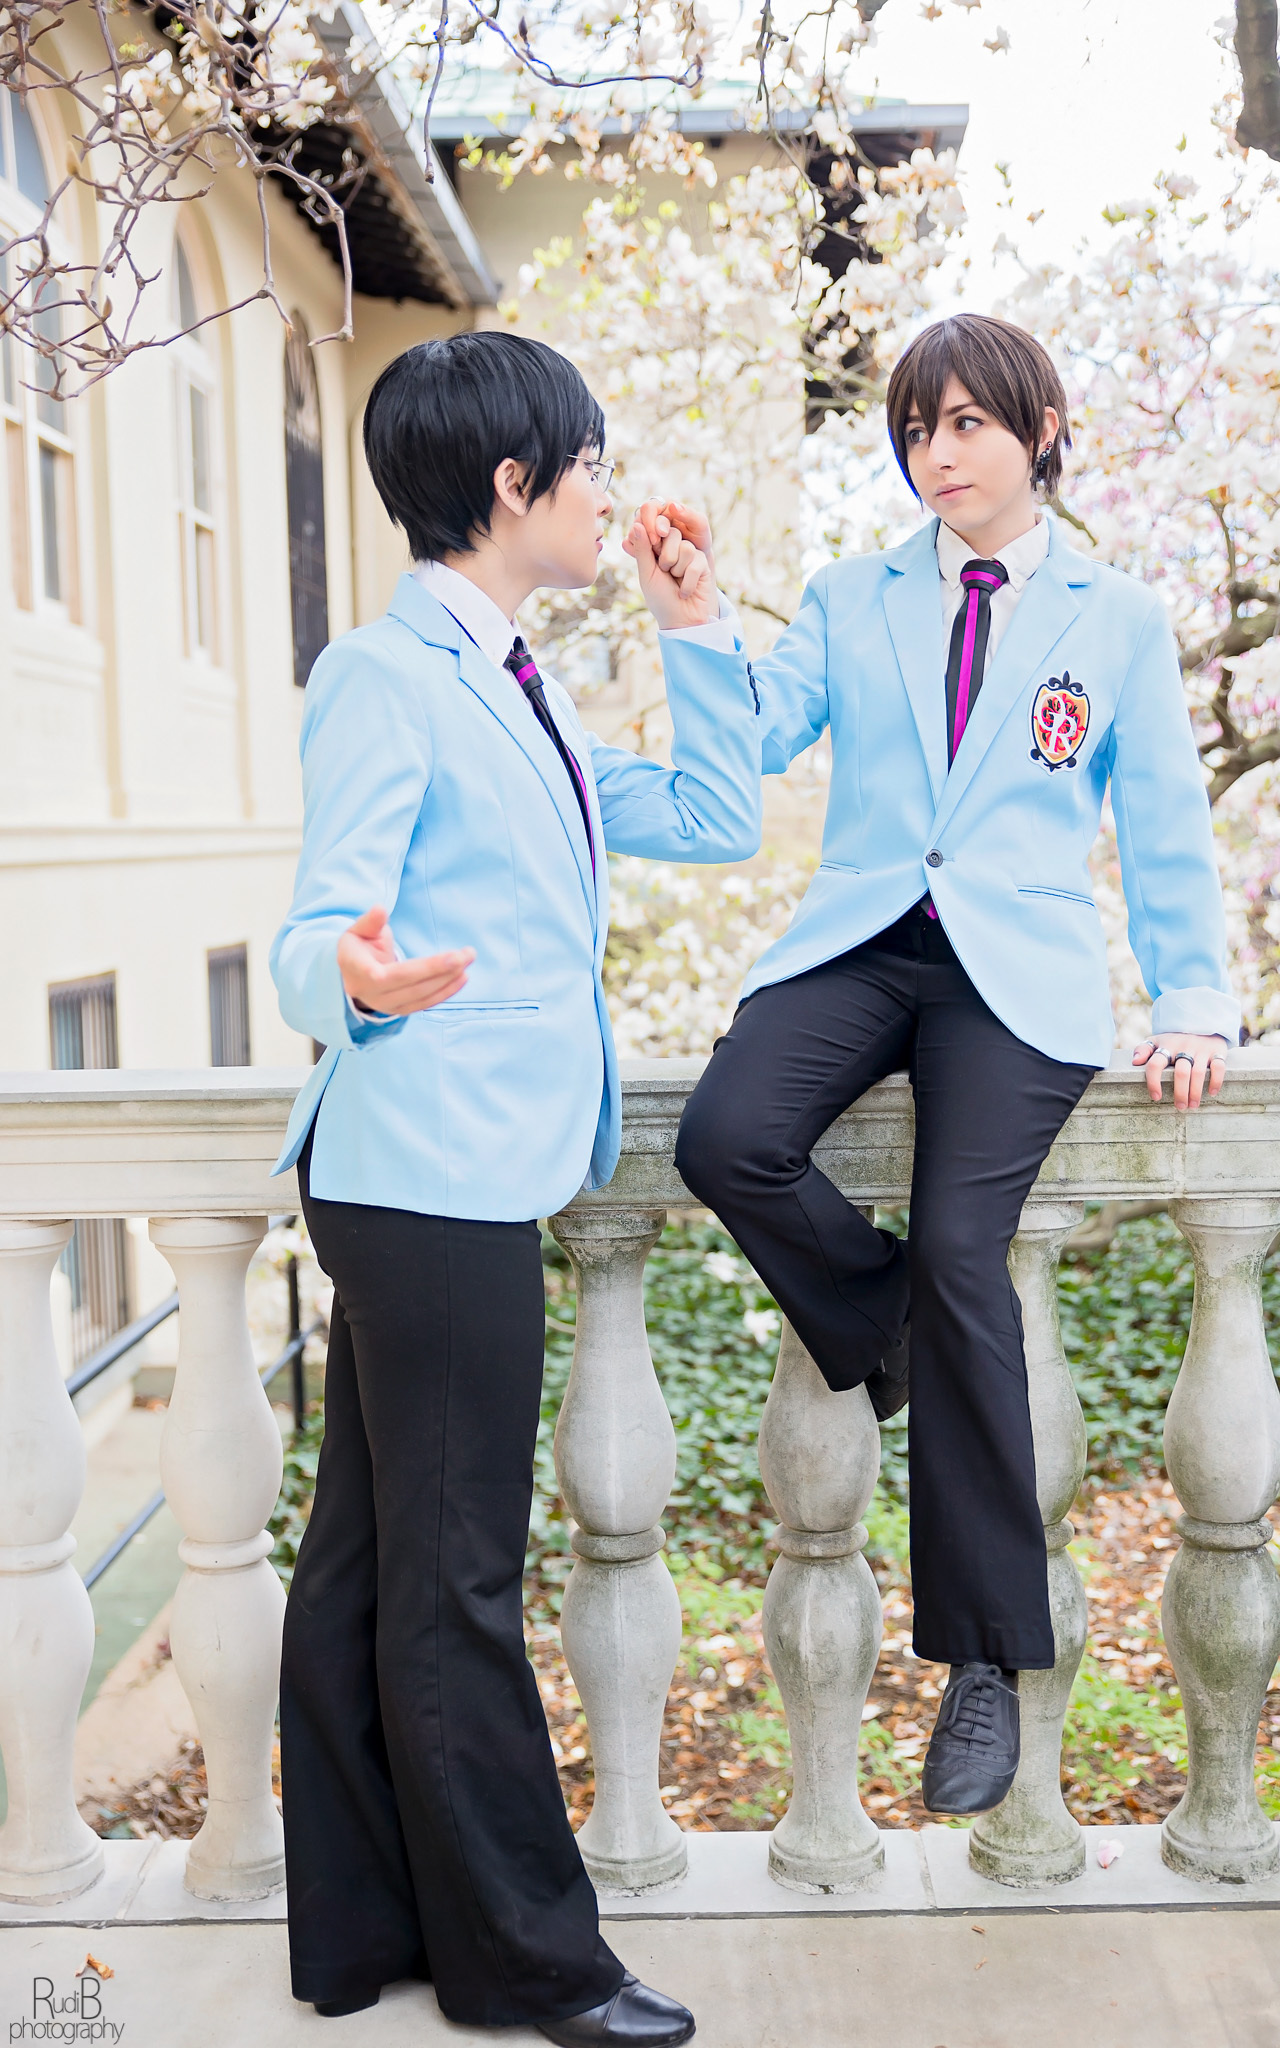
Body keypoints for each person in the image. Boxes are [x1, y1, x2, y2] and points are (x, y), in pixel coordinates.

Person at [672, 311, 1238, 1819]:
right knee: (724, 1136)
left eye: (970, 423)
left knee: (966, 1246)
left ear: (1039, 430)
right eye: (919, 428)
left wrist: (1192, 999)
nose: (939, 453)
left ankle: (985, 1661)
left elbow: (1162, 821)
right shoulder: (849, 597)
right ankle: (889, 1322)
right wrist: (696, 619)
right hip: (865, 936)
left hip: (1020, 965)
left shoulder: (1116, 618)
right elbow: (758, 739)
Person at [268, 330, 761, 2044]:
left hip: (455, 1166)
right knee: (456, 1578)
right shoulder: (386, 677)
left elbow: (715, 812)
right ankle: (531, 1967)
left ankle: (360, 1934)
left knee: (371, 1563)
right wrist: (353, 977)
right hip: (426, 1173)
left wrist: (695, 621)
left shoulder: (519, 684)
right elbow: (312, 926)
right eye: (592, 463)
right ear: (510, 480)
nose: (609, 493)